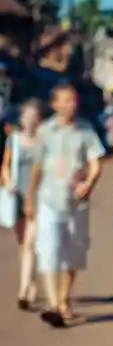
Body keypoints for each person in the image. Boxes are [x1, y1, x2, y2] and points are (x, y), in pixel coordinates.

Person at [27, 84, 105, 327]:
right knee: (50, 251)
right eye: (66, 100)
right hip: (49, 200)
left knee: (74, 252)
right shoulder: (45, 131)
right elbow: (37, 169)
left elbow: (96, 162)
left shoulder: (85, 130)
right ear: (55, 104)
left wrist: (90, 182)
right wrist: (30, 200)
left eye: (74, 100)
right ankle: (53, 305)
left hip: (76, 203)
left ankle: (63, 298)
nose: (72, 104)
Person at [1, 99, 44, 310]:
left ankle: (23, 290)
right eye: (27, 116)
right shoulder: (14, 140)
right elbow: (5, 166)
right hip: (16, 196)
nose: (31, 120)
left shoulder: (45, 141)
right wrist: (8, 181)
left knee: (30, 243)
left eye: (34, 116)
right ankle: (32, 281)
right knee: (22, 243)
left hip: (38, 197)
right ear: (21, 119)